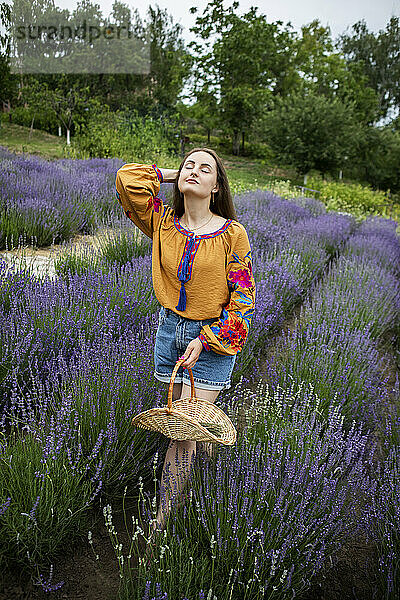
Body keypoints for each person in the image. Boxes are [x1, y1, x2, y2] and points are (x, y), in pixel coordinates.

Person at [114, 147, 256, 544]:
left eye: (205, 169)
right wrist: (177, 173)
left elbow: (243, 299)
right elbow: (127, 178)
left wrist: (208, 339)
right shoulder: (163, 222)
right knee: (188, 428)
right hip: (169, 335)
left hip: (211, 341)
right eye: (189, 165)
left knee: (181, 432)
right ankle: (204, 446)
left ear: (217, 186)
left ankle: (162, 520)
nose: (194, 171)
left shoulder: (232, 234)